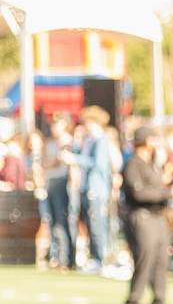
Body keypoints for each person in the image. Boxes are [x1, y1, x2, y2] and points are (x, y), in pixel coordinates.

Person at [120, 127, 173, 304]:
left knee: (161, 261)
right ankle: (133, 303)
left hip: (157, 216)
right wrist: (165, 192)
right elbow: (138, 193)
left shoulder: (151, 164)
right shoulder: (133, 164)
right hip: (142, 216)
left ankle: (159, 303)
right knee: (145, 260)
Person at [76, 107, 118, 272]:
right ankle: (95, 256)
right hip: (88, 186)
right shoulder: (89, 140)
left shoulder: (101, 140)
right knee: (90, 222)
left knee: (97, 223)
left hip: (97, 188)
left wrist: (75, 159)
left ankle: (100, 257)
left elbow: (99, 164)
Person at [40, 120, 76, 270]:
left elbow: (56, 162)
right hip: (50, 181)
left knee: (62, 221)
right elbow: (45, 162)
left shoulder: (67, 141)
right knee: (53, 221)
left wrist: (48, 164)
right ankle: (58, 256)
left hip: (61, 182)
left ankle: (66, 258)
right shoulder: (50, 142)